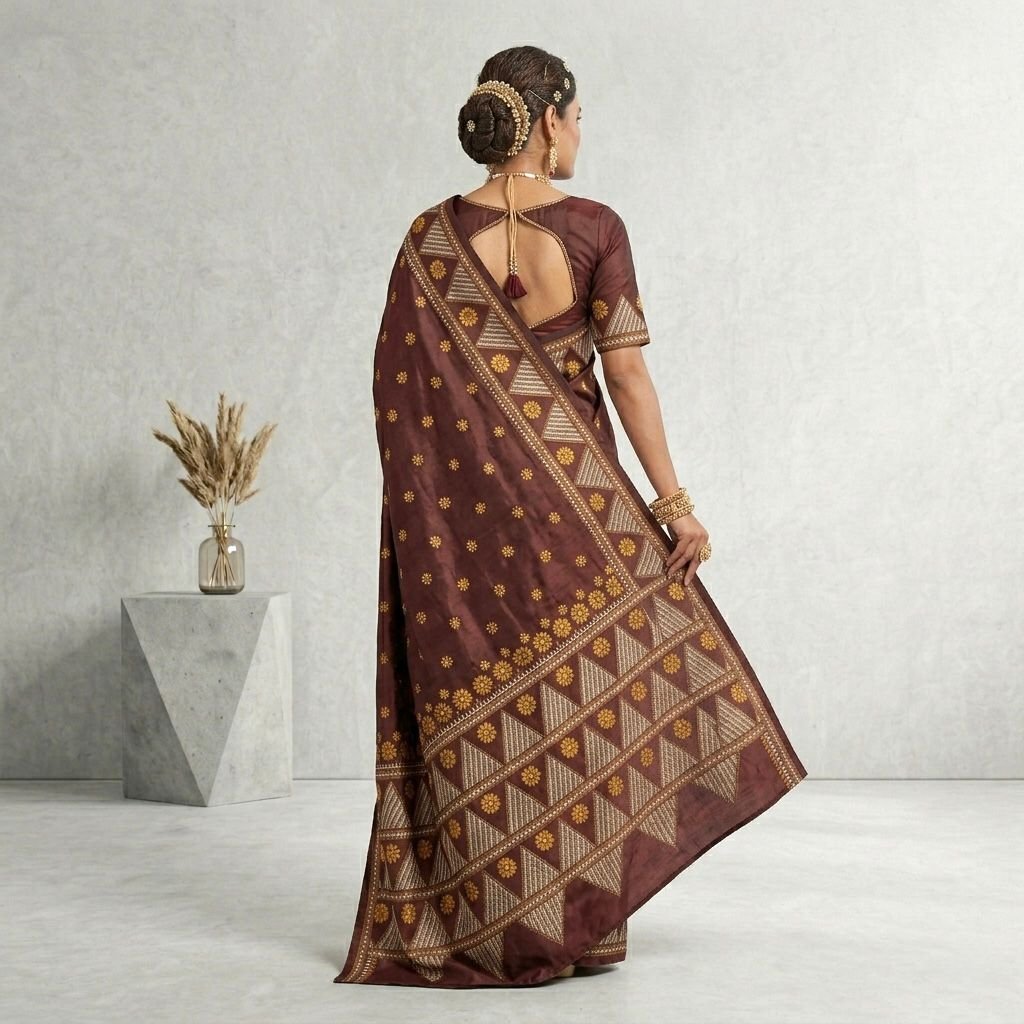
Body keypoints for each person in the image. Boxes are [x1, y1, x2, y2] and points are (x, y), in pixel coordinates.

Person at [335, 45, 807, 989]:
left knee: (494, 698)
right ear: (548, 121)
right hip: (577, 519)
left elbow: (396, 393)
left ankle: (507, 919)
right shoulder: (594, 227)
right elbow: (625, 375)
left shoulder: (429, 240)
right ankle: (575, 920)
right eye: (579, 117)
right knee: (588, 700)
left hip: (467, 536)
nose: (582, 134)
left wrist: (438, 521)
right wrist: (673, 506)